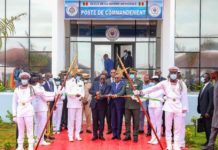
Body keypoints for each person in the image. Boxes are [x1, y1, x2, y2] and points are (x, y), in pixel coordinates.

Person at [134, 66, 188, 150]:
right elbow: (152, 89)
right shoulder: (164, 83)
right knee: (168, 127)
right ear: (169, 74)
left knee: (177, 128)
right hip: (168, 106)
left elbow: (184, 97)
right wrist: (140, 92)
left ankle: (176, 145)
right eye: (172, 73)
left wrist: (184, 109)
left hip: (178, 106)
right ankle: (169, 145)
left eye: (175, 73)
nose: (173, 74)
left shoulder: (182, 83)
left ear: (177, 74)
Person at [12, 72, 34, 150]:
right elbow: (14, 103)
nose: (24, 80)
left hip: (28, 110)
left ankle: (30, 145)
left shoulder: (31, 88)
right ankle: (20, 146)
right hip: (20, 111)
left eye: (26, 79)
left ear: (28, 79)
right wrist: (14, 115)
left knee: (30, 129)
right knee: (20, 129)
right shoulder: (16, 89)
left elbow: (34, 97)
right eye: (23, 79)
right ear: (20, 80)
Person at [31, 74, 55, 146]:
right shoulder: (36, 88)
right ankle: (37, 140)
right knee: (39, 125)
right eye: (42, 79)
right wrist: (55, 94)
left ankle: (40, 140)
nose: (43, 81)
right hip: (40, 108)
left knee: (39, 125)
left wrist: (54, 95)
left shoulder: (38, 87)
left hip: (39, 108)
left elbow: (45, 95)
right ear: (39, 80)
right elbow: (45, 96)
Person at [121, 68, 143, 143]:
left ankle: (135, 136)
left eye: (133, 73)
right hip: (127, 105)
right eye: (131, 73)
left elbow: (140, 92)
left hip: (136, 105)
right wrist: (116, 94)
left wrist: (136, 94)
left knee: (136, 122)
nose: (132, 75)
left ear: (136, 74)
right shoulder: (126, 82)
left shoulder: (139, 82)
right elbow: (122, 91)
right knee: (127, 121)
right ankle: (127, 135)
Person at [89, 73, 110, 141]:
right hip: (94, 105)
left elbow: (106, 94)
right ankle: (95, 135)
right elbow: (90, 91)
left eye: (104, 79)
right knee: (94, 120)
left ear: (105, 79)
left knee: (102, 121)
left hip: (102, 105)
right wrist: (95, 93)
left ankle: (101, 135)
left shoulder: (107, 85)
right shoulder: (95, 83)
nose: (102, 80)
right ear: (99, 78)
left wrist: (99, 96)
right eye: (101, 78)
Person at [66, 70, 85, 142]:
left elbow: (82, 92)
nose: (79, 76)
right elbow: (67, 92)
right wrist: (75, 94)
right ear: (74, 75)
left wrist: (81, 96)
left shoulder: (81, 82)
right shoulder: (69, 82)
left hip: (79, 103)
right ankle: (70, 136)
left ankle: (77, 135)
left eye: (80, 75)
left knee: (79, 120)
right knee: (71, 120)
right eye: (78, 74)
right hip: (71, 103)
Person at [202, 71, 218, 150]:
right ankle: (210, 146)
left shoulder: (214, 85)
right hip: (215, 112)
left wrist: (209, 111)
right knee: (214, 128)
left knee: (214, 128)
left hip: (216, 111)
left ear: (216, 74)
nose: (211, 75)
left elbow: (212, 100)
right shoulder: (215, 84)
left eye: (213, 74)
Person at [197, 73, 214, 146]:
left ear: (208, 78)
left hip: (207, 112)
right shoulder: (203, 86)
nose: (202, 78)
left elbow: (211, 101)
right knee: (205, 128)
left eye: (204, 77)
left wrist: (208, 111)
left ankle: (210, 143)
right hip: (203, 111)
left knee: (208, 128)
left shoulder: (210, 87)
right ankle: (207, 141)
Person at [147, 75, 164, 144]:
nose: (154, 82)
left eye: (155, 81)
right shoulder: (151, 88)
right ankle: (153, 138)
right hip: (151, 106)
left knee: (158, 122)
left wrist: (147, 94)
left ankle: (158, 138)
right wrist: (137, 98)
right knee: (152, 123)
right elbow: (145, 95)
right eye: (153, 80)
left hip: (158, 106)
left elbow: (152, 95)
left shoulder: (161, 89)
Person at [110, 71, 125, 140]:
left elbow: (122, 92)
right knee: (113, 119)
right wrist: (110, 94)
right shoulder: (112, 84)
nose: (116, 79)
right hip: (112, 103)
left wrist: (116, 95)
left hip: (120, 104)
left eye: (117, 78)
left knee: (119, 119)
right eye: (115, 78)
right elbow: (110, 91)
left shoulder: (123, 84)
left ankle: (118, 134)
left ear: (120, 78)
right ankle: (114, 134)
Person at [105, 69, 116, 134]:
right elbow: (105, 89)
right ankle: (109, 129)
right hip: (108, 100)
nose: (113, 73)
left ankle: (115, 128)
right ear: (110, 73)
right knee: (108, 115)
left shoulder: (118, 80)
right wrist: (108, 94)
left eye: (114, 72)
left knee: (115, 115)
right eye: (111, 72)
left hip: (116, 100)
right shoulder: (107, 81)